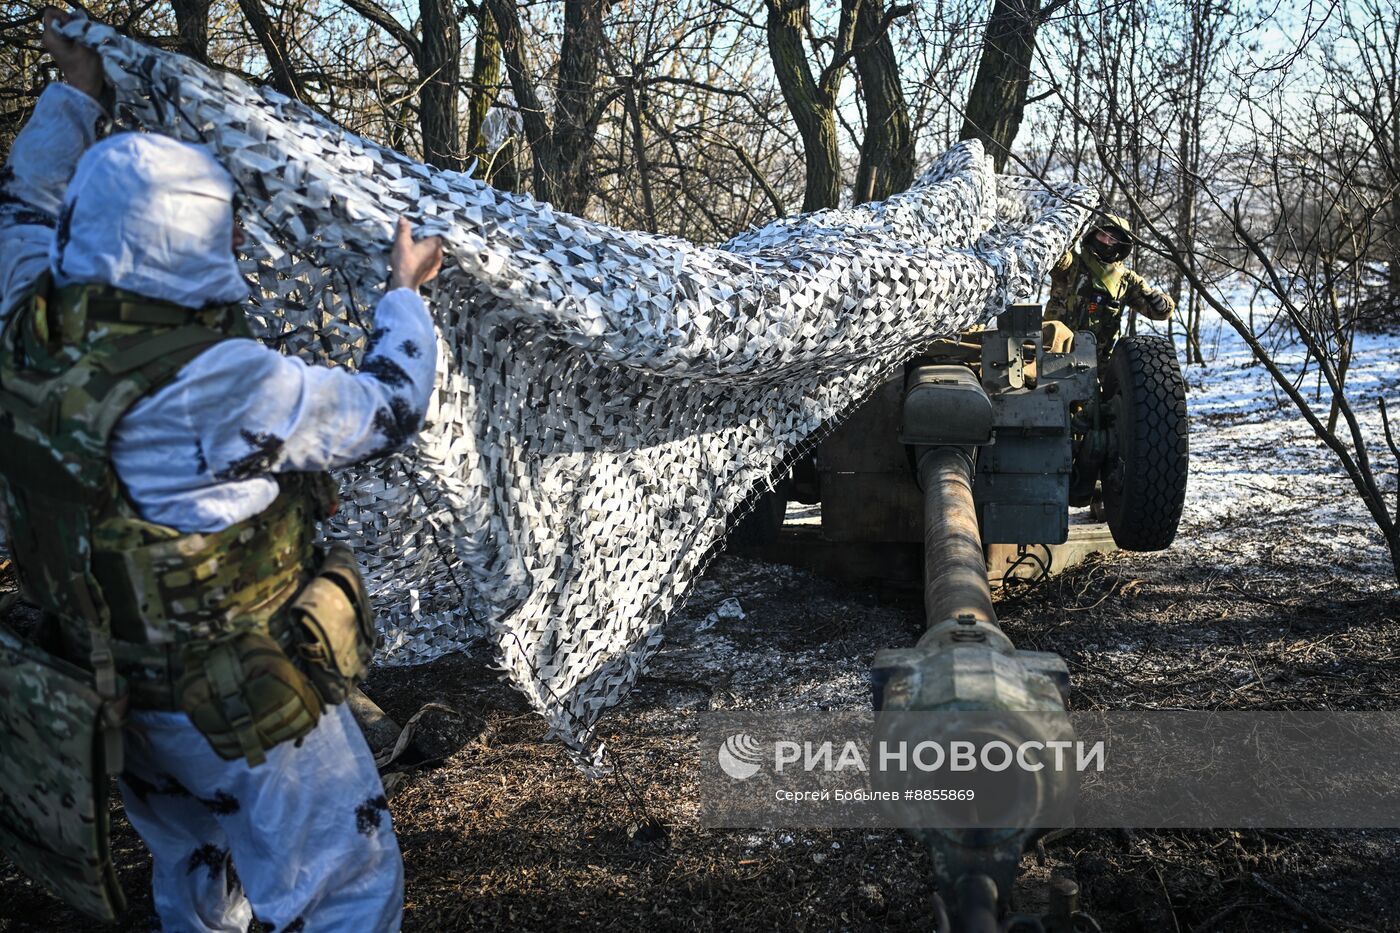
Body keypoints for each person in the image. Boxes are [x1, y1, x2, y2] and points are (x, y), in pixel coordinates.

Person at [0, 9, 443, 931]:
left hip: (111, 692)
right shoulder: (217, 381)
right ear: (200, 243)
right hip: (241, 704)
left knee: (199, 871)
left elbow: (25, 202)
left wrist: (77, 92)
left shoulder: (25, 326)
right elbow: (387, 408)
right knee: (341, 883)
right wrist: (404, 294)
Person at [1043, 213, 1176, 365]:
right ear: (1093, 235)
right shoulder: (1074, 262)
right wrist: (1071, 231)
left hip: (1099, 358)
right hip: (1055, 350)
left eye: (1112, 238)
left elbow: (1157, 311)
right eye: (1102, 235)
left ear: (1122, 244)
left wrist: (1163, 304)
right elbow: (1057, 260)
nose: (1106, 241)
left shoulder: (1127, 279)